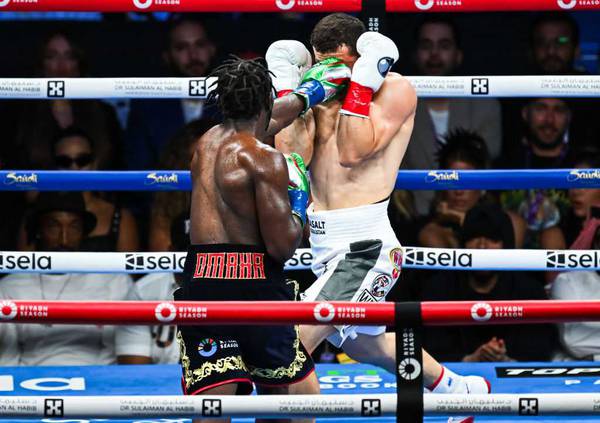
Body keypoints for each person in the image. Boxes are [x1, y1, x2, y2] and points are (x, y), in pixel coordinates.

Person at [268, 13, 489, 394]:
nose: (329, 74)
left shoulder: (394, 89)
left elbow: (352, 151)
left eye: (339, 64)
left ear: (362, 57)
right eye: (322, 64)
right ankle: (461, 390)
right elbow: (293, 157)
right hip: (323, 244)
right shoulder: (318, 89)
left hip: (366, 249)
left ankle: (281, 416)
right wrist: (293, 93)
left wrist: (362, 82)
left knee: (291, 341)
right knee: (368, 346)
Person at [175, 56, 322, 413]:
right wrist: (300, 197)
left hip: (202, 279)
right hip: (253, 281)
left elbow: (270, 118)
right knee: (293, 402)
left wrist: (309, 94)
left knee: (213, 404)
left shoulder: (205, 143)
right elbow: (283, 246)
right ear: (264, 104)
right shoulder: (263, 158)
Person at [1, 191, 133, 365]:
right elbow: (7, 362)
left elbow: (115, 355)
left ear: (83, 232)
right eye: (54, 227)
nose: (64, 239)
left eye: (74, 227)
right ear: (39, 230)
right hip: (30, 380)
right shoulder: (10, 287)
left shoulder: (113, 280)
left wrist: (93, 380)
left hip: (95, 378)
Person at [415, 204, 557, 362]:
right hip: (452, 376)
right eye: (474, 237)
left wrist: (506, 361)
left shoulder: (529, 290)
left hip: (514, 376)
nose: (482, 246)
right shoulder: (439, 288)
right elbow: (427, 349)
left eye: (492, 239)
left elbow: (541, 350)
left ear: (505, 245)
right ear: (463, 244)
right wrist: (469, 360)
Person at [402, 17, 502, 215]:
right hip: (415, 220)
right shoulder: (399, 107)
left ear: (458, 55)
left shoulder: (486, 106)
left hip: (476, 218)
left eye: (444, 46)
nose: (434, 54)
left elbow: (486, 166)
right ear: (415, 54)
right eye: (426, 45)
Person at [5, 29, 122, 170]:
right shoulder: (17, 115)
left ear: (79, 65)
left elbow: (117, 167)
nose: (61, 66)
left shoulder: (104, 114)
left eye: (69, 57)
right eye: (51, 56)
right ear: (41, 64)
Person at [16, 127, 139, 252]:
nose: (74, 168)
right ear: (53, 167)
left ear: (94, 164)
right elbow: (24, 263)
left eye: (82, 160)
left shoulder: (120, 217)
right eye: (64, 161)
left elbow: (128, 263)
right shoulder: (35, 214)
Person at [125, 16, 219, 171]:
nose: (193, 55)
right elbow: (138, 167)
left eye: (200, 45)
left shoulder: (235, 102)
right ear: (167, 56)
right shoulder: (147, 107)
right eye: (182, 47)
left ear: (212, 49)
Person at [418, 129, 526, 249]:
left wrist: (460, 218)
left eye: (466, 182)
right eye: (451, 182)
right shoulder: (432, 233)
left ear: (482, 184)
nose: (459, 192)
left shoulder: (513, 223)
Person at [117, 214, 189, 364]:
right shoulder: (144, 290)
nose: (194, 258)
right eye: (186, 250)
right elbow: (135, 367)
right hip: (160, 379)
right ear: (171, 251)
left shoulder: (229, 289)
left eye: (201, 251)